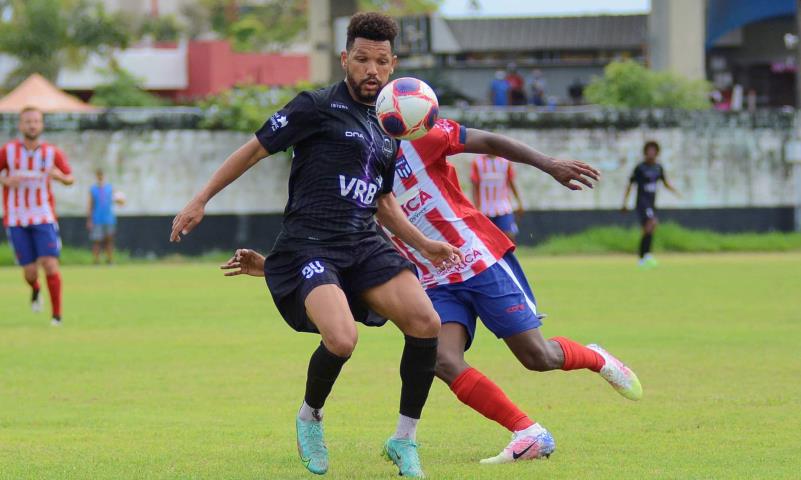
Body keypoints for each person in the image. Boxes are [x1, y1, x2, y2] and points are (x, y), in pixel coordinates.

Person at [221, 119, 644, 465]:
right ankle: (528, 432)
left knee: (538, 357)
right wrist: (274, 267)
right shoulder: (356, 172)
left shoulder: (424, 133)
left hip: (479, 260)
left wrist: (548, 164)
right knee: (441, 359)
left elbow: (489, 139)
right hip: (430, 279)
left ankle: (596, 357)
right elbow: (342, 246)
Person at [171, 12, 461, 478]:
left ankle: (403, 439)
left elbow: (383, 201)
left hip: (364, 242)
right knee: (342, 339)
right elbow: (254, 148)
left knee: (427, 322)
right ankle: (310, 417)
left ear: (393, 66)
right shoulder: (315, 106)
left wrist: (424, 243)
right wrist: (200, 199)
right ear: (345, 59)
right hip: (311, 243)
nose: (371, 69)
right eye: (362, 59)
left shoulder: (390, 125)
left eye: (380, 61)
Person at [0, 106, 74, 325]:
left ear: (41, 125)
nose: (32, 125)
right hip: (16, 218)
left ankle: (57, 316)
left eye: (36, 121)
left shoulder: (52, 152)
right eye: (28, 121)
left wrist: (59, 177)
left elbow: (70, 178)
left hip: (43, 216)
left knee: (50, 264)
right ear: (20, 125)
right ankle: (35, 288)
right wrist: (4, 180)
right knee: (30, 272)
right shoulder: (8, 151)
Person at [622, 140, 679, 267]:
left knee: (649, 228)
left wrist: (675, 191)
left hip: (652, 203)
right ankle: (645, 256)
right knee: (652, 223)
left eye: (653, 150)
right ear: (645, 152)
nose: (651, 153)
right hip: (642, 202)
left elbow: (665, 182)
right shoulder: (640, 168)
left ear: (657, 152)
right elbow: (630, 185)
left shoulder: (658, 168)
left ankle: (643, 257)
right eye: (649, 150)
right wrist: (624, 203)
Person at [471, 153, 523, 242]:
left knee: (509, 235)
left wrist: (519, 203)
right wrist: (475, 206)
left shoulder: (505, 162)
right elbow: (475, 186)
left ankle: (508, 256)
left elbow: (511, 183)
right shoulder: (477, 162)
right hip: (484, 208)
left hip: (504, 207)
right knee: (486, 238)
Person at [87, 168, 124, 265]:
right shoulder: (93, 189)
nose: (100, 178)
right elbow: (90, 205)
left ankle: (110, 260)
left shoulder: (110, 188)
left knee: (109, 240)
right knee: (97, 241)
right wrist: (89, 220)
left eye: (101, 176)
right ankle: (96, 261)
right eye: (98, 176)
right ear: (96, 177)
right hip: (97, 219)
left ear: (104, 176)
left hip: (109, 219)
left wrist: (120, 201)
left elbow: (119, 200)